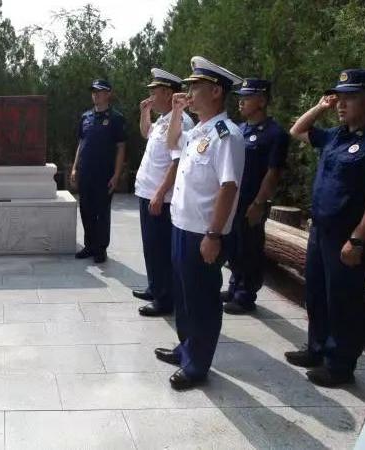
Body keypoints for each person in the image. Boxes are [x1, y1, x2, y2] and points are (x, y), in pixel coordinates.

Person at [286, 69, 365, 387]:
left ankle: (340, 364)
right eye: (340, 98)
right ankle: (316, 348)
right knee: (317, 293)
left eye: (351, 97)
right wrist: (321, 107)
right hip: (320, 231)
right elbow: (297, 130)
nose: (342, 105)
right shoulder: (337, 135)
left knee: (344, 301)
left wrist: (358, 240)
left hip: (350, 238)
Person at [154, 56, 245, 390]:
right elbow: (170, 142)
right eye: (188, 87)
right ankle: (186, 348)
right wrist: (178, 111)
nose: (189, 93)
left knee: (203, 301)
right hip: (181, 225)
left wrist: (214, 234)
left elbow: (228, 186)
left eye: (196, 87)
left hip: (203, 233)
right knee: (183, 295)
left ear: (217, 91)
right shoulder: (198, 132)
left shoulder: (227, 134)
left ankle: (197, 366)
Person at [222, 79, 290, 314]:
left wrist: (259, 203)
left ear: (262, 101)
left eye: (247, 97)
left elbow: (273, 173)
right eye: (240, 96)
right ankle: (233, 286)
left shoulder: (275, 134)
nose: (241, 101)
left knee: (250, 248)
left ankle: (245, 295)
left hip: (253, 201)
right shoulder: (239, 129)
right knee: (233, 247)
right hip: (234, 201)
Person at [133, 68, 194, 317]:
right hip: (147, 192)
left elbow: (177, 162)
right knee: (151, 246)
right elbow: (145, 132)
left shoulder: (181, 121)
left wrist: (160, 193)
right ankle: (155, 286)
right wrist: (144, 112)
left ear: (168, 93)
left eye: (154, 92)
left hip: (162, 197)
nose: (150, 95)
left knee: (160, 248)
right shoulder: (162, 120)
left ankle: (164, 298)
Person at [70, 79, 127, 263]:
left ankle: (101, 248)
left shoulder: (116, 118)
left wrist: (117, 175)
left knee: (102, 211)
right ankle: (89, 245)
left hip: (104, 173)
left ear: (108, 93)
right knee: (86, 209)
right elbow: (81, 143)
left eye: (99, 91)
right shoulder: (85, 116)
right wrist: (74, 168)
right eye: (93, 91)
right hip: (85, 171)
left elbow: (121, 147)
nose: (95, 94)